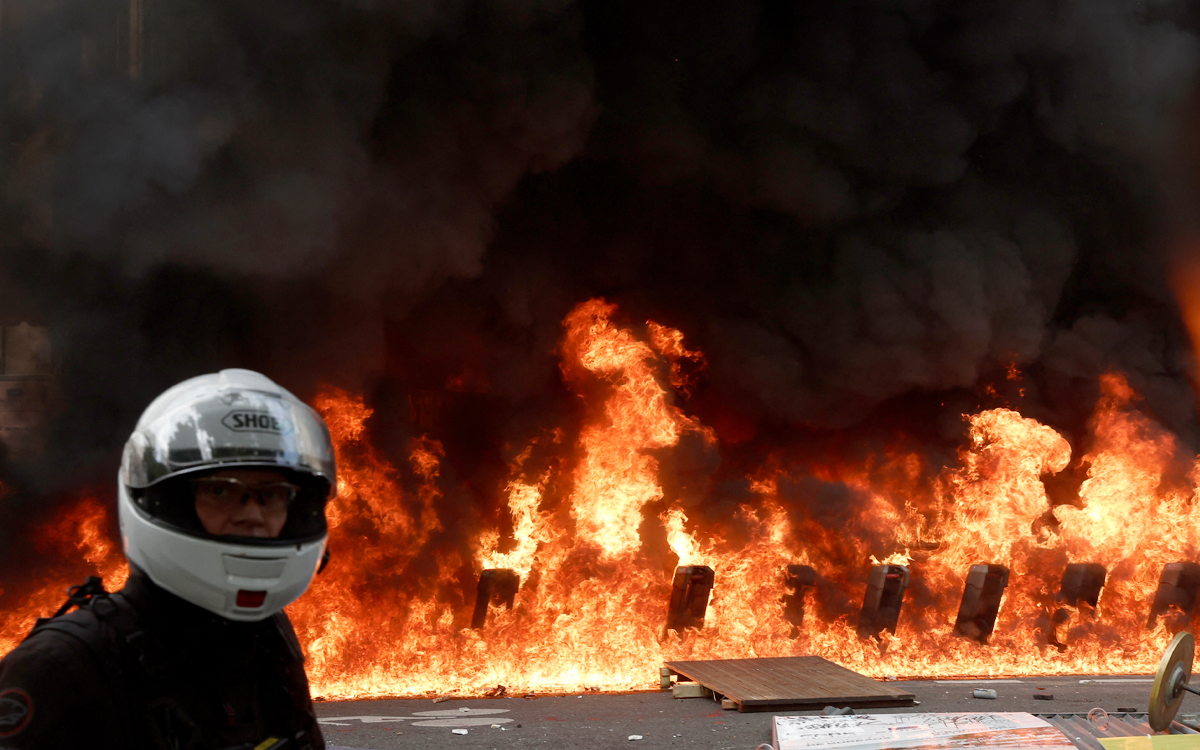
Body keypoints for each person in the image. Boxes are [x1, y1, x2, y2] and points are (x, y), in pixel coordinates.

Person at [0, 369, 335, 749]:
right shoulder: (61, 668)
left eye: (273, 494)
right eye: (220, 490)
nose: (253, 516)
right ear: (168, 502)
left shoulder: (269, 638)